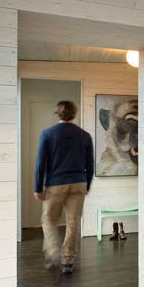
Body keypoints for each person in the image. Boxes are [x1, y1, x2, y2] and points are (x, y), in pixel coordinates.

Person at [34, 100, 94, 275]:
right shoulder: (84, 135)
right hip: (79, 183)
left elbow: (40, 164)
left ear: (57, 113)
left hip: (55, 184)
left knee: (48, 219)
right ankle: (67, 262)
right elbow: (90, 163)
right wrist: (88, 184)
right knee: (73, 222)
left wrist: (38, 187)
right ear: (74, 113)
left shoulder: (47, 134)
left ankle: (53, 251)